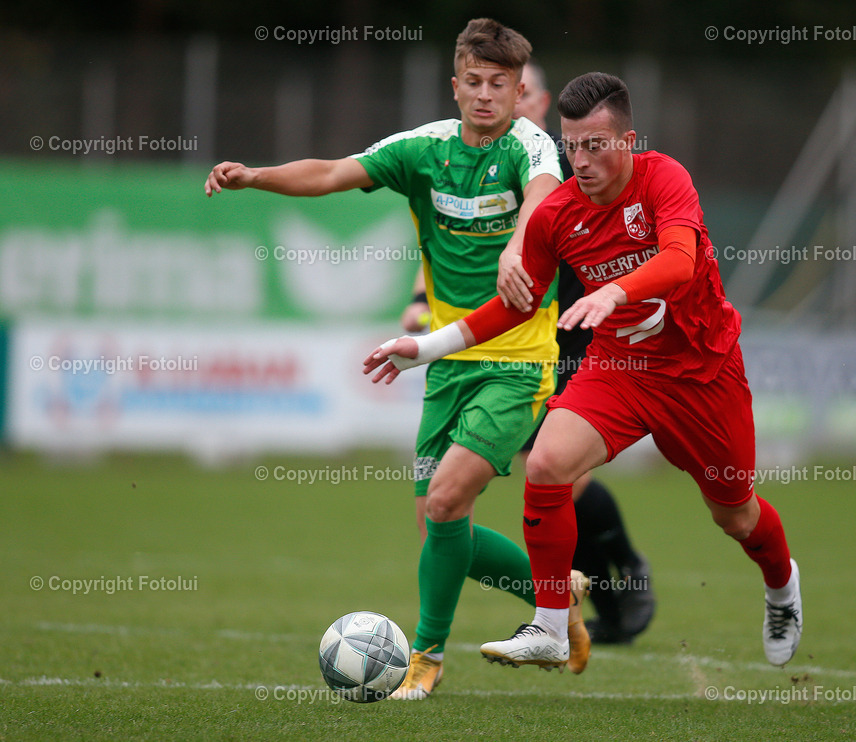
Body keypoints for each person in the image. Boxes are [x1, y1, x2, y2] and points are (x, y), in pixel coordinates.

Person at [205, 18, 591, 699]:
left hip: (519, 360)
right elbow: (331, 171)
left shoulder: (532, 146)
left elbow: (540, 196)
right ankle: (557, 595)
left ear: (518, 89)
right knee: (436, 523)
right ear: (455, 85)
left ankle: (426, 659)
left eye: (499, 85)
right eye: (473, 82)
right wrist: (254, 177)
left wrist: (516, 246)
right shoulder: (422, 149)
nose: (484, 96)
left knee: (445, 502)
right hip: (446, 364)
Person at [364, 71, 803, 669]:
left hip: (702, 374)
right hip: (619, 368)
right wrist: (428, 347)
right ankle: (548, 625)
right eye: (573, 146)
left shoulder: (663, 179)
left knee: (735, 513)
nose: (583, 160)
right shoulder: (556, 214)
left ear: (628, 141)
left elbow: (679, 259)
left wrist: (615, 293)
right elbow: (515, 306)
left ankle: (781, 586)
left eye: (597, 145)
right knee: (547, 463)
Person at [510, 60, 656, 645]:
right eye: (486, 84)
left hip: (578, 334)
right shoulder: (474, 158)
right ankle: (606, 588)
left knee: (556, 475)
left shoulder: (560, 160)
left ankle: (620, 574)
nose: (499, 99)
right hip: (520, 337)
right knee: (543, 471)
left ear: (541, 103)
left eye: (515, 89)